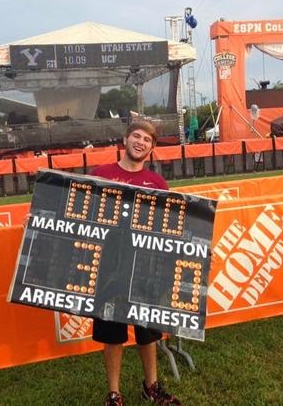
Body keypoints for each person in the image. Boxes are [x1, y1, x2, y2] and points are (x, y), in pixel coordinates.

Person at [91, 121, 182, 406]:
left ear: (152, 148)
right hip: (109, 267)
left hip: (145, 268)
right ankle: (114, 394)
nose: (141, 142)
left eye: (147, 140)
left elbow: (171, 231)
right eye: (136, 136)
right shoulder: (101, 175)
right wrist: (36, 222)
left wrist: (199, 254)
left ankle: (151, 386)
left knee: (147, 330)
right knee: (112, 333)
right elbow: (79, 216)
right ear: (125, 139)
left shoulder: (158, 183)